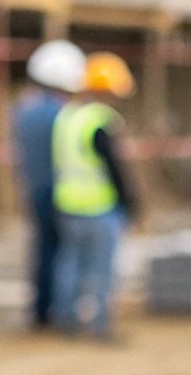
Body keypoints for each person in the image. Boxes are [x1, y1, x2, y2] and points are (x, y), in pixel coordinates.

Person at [52, 51, 140, 340]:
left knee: (70, 264)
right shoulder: (101, 120)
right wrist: (131, 202)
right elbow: (114, 166)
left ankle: (65, 321)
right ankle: (100, 325)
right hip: (99, 205)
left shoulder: (66, 116)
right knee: (101, 269)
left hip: (67, 202)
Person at [13, 39, 87, 330]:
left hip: (34, 190)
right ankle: (63, 311)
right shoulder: (64, 115)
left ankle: (41, 312)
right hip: (64, 193)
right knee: (66, 255)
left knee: (43, 252)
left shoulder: (24, 109)